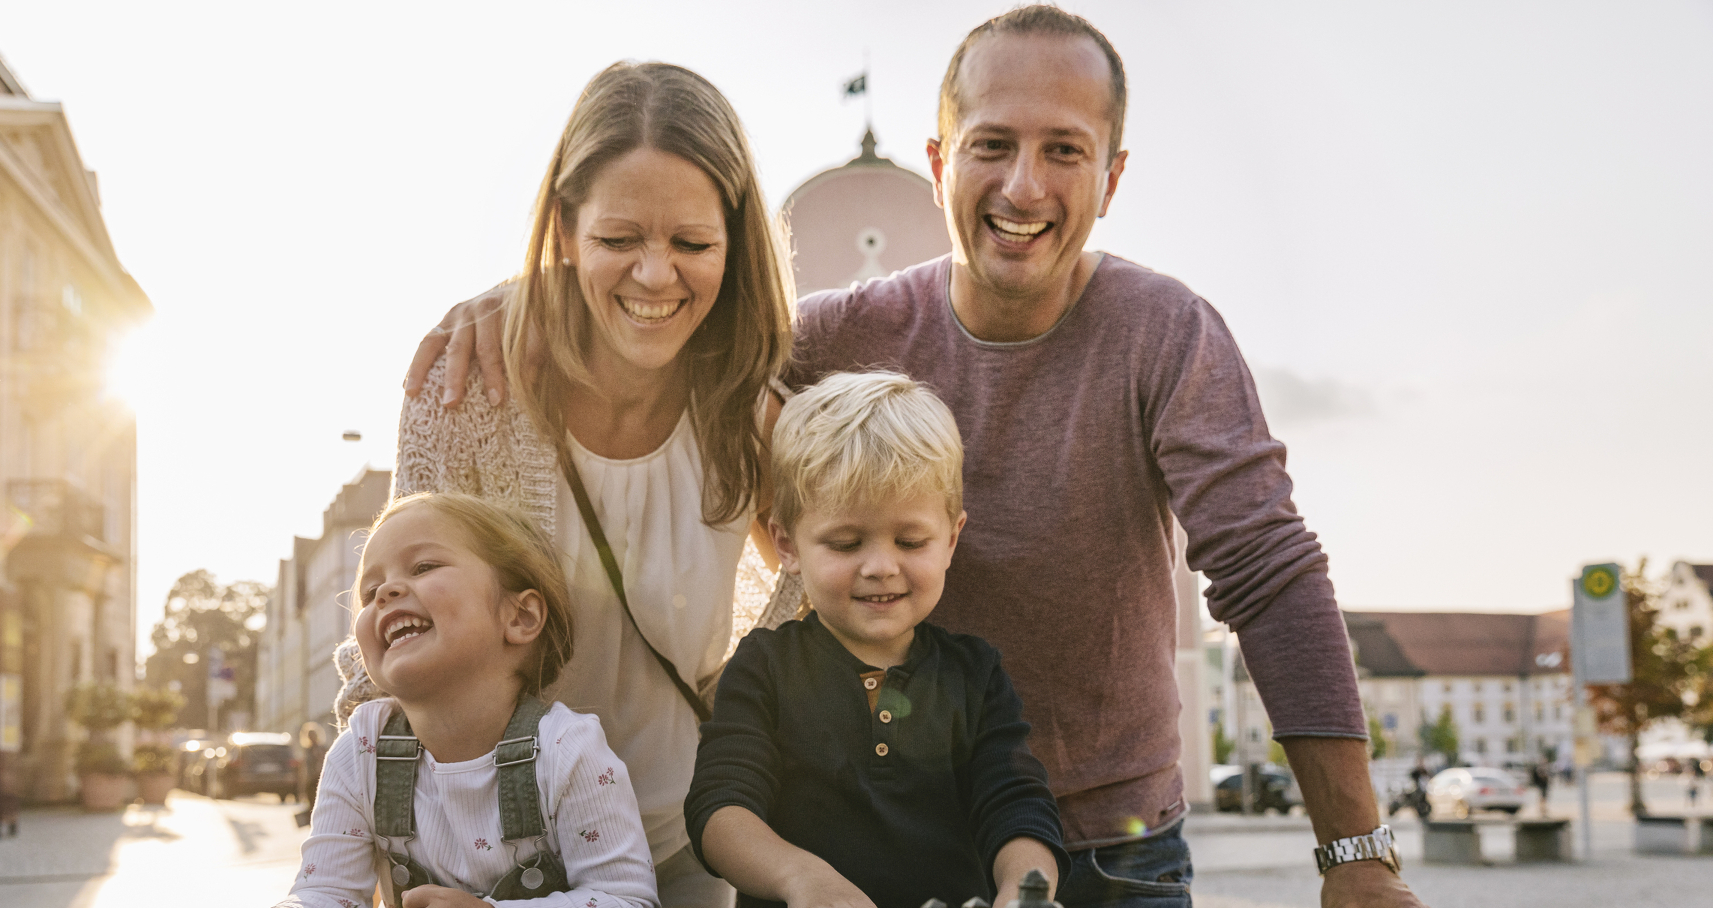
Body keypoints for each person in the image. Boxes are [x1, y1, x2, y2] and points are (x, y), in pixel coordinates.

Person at [406, 8, 1425, 907]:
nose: (1023, 185)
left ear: (1111, 178)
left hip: (1113, 841)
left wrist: (1356, 846)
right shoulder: (827, 337)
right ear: (941, 163)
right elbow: (670, 300)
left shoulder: (1165, 332)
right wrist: (514, 297)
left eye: (1064, 149)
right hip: (896, 838)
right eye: (992, 144)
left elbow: (1265, 565)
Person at [357, 61, 794, 908]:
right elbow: (393, 638)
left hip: (683, 861)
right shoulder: (468, 390)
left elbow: (819, 607)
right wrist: (374, 851)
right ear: (564, 230)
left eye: (693, 244)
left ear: (735, 246)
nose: (656, 276)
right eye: (618, 240)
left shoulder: (757, 421)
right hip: (482, 868)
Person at [686, 372, 1068, 908]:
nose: (881, 567)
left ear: (952, 538)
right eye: (845, 543)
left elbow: (1016, 803)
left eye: (910, 541)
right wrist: (799, 878)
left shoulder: (975, 675)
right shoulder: (765, 665)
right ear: (787, 544)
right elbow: (721, 809)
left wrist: (1025, 889)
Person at [282, 493, 657, 908]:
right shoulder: (360, 751)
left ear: (520, 617)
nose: (385, 591)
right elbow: (322, 893)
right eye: (370, 592)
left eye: (424, 567)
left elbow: (626, 899)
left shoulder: (568, 750)